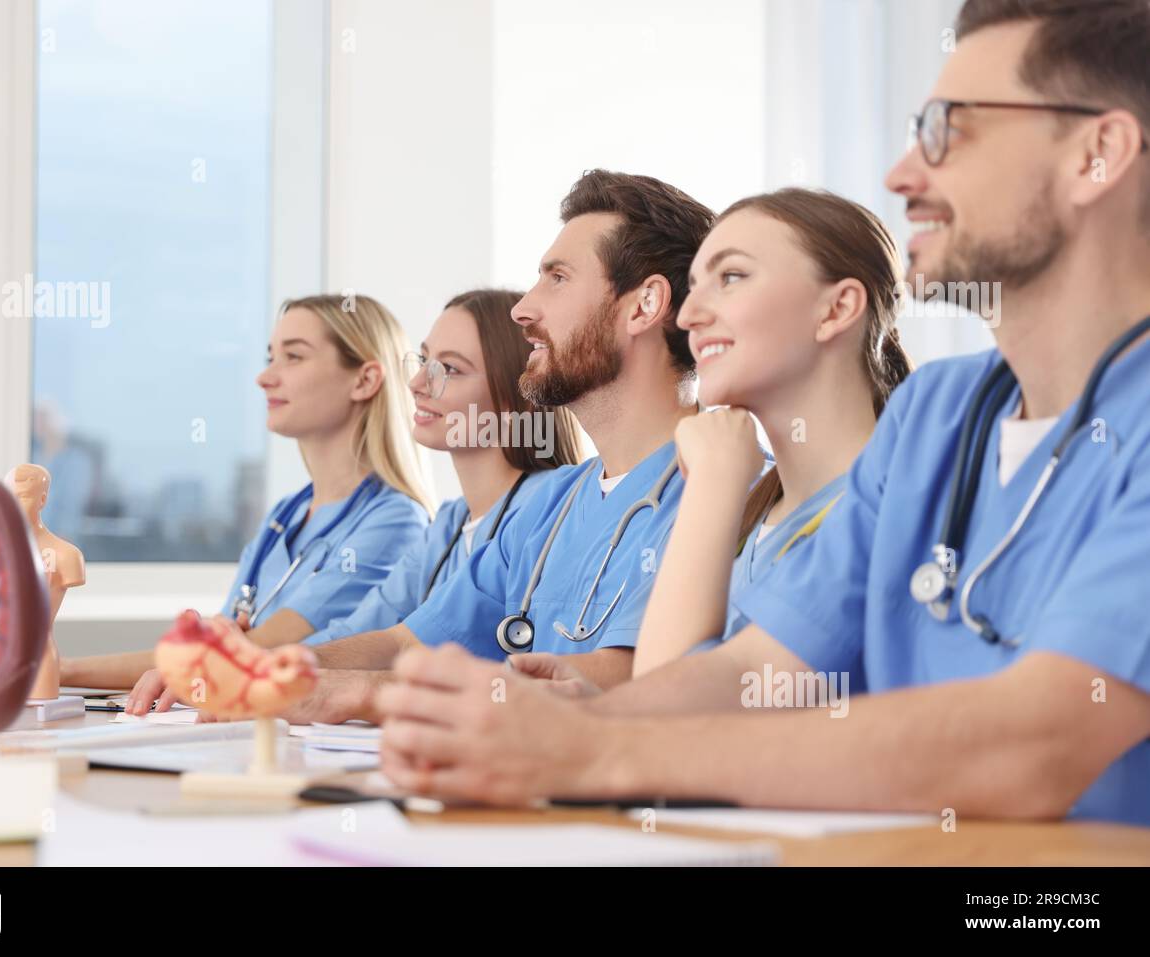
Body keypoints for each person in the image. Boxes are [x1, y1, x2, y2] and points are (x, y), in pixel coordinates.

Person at [377, 0, 1150, 825]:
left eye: (948, 130)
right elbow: (755, 669)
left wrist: (593, 752)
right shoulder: (937, 413)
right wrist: (537, 728)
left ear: (1097, 154)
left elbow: (1033, 743)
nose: (901, 175)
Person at [225, 169, 715, 723]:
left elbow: (633, 678)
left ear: (645, 304)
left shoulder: (721, 490)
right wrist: (260, 671)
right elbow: (407, 643)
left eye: (557, 278)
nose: (523, 309)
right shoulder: (549, 504)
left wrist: (368, 694)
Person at [127, 289, 582, 712]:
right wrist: (252, 667)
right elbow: (374, 636)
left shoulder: (549, 506)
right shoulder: (448, 524)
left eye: (451, 369)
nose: (418, 383)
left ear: (516, 395)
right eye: (423, 361)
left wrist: (255, 667)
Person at [62, 293, 433, 694]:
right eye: (269, 357)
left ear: (364, 380)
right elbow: (217, 648)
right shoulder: (285, 516)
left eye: (294, 357)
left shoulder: (393, 521)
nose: (265, 377)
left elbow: (247, 652)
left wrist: (60, 672)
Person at [628, 188, 910, 676]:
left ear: (837, 309)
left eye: (731, 276)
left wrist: (714, 480)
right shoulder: (756, 520)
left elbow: (664, 713)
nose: (688, 316)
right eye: (694, 285)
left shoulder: (891, 512)